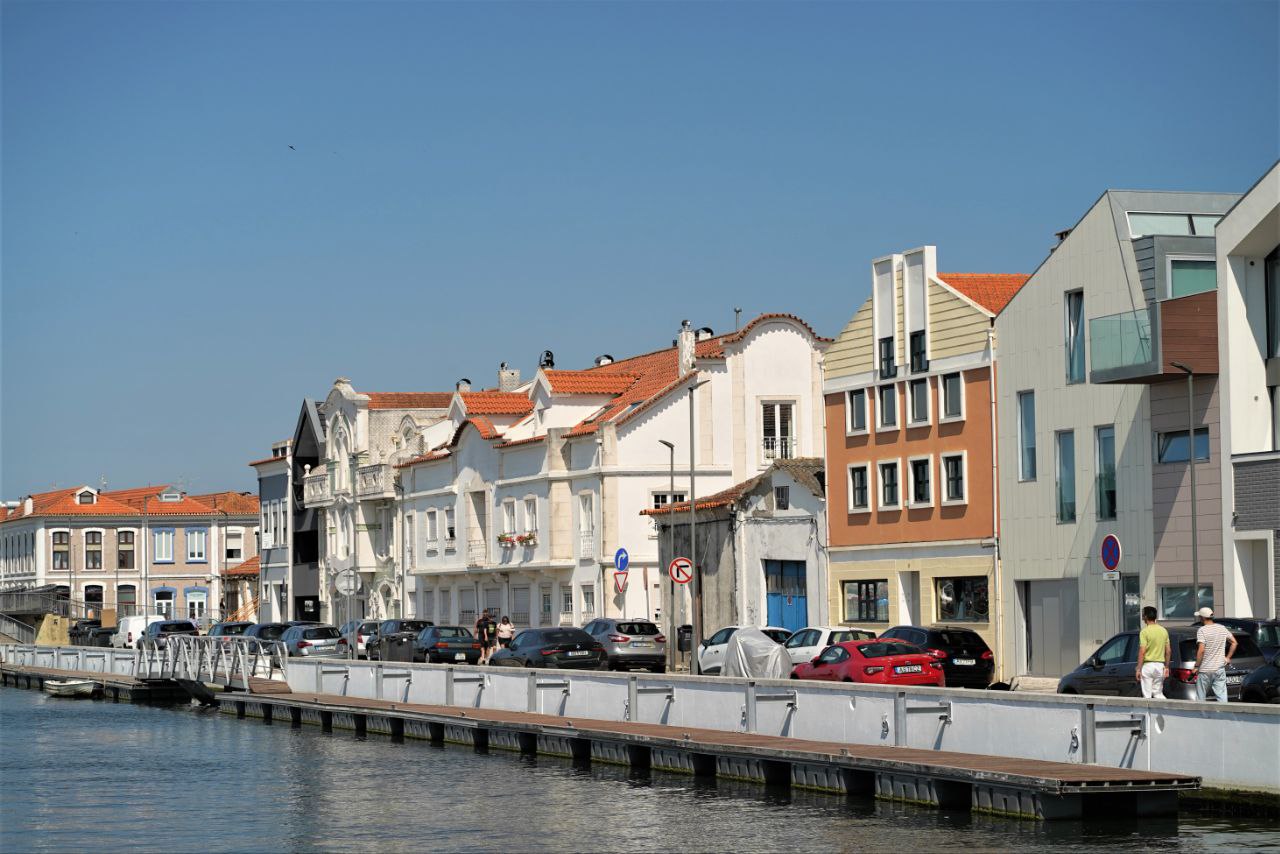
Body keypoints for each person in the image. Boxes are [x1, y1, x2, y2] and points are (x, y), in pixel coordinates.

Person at [1193, 607, 1237, 702]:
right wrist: (1228, 658)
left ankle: (1200, 712)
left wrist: (1196, 666)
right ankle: (1224, 711)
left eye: (1199, 617)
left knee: (1200, 698)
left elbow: (1201, 650)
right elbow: (1234, 642)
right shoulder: (1222, 628)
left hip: (1205, 670)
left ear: (1202, 618)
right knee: (1222, 697)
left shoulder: (1202, 630)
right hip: (1219, 669)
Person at [1135, 606, 1170, 699]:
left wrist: (1138, 669)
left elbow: (1142, 651)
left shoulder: (1144, 632)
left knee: (1147, 695)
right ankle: (1165, 707)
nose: (1142, 616)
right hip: (1160, 666)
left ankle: (1148, 710)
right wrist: (1166, 667)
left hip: (1148, 666)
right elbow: (1168, 651)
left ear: (1145, 617)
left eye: (1143, 614)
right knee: (1158, 693)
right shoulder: (1163, 631)